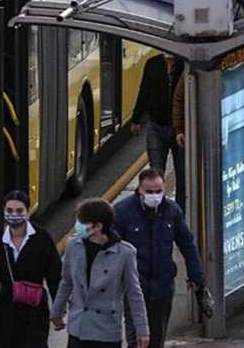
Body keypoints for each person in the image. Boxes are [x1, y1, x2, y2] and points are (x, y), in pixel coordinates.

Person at [113, 168, 204, 347]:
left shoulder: (172, 211)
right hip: (135, 289)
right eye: (149, 192)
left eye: (158, 191)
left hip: (162, 287)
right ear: (139, 189)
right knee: (137, 340)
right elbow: (111, 250)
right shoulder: (122, 212)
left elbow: (187, 244)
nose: (154, 196)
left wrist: (196, 275)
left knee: (156, 340)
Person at [0, 191, 62, 347]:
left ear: (28, 212)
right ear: (4, 211)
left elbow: (55, 277)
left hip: (34, 312)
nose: (14, 215)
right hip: (5, 310)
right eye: (10, 211)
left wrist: (58, 309)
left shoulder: (42, 239)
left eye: (19, 211)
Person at [51, 199, 150, 348]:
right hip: (79, 328)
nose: (78, 226)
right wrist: (56, 312)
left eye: (82, 222)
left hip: (107, 332)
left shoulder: (124, 253)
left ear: (98, 226)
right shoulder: (73, 245)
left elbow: (134, 294)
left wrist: (142, 329)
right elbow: (66, 282)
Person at [131, 53, 186, 211]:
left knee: (183, 175)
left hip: (180, 130)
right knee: (155, 172)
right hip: (157, 126)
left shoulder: (185, 64)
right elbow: (144, 91)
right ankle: (156, 211)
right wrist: (136, 119)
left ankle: (179, 213)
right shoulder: (152, 64)